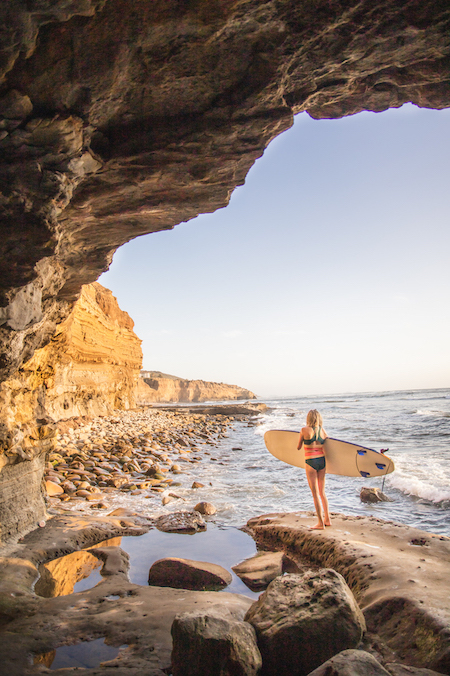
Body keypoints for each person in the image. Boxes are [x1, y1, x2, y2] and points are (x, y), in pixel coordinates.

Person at [297, 409, 331, 530]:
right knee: (322, 492)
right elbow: (329, 442)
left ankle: (320, 523)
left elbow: (298, 447)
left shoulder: (304, 430)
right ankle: (327, 519)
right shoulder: (322, 430)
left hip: (310, 462)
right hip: (322, 462)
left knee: (315, 494)